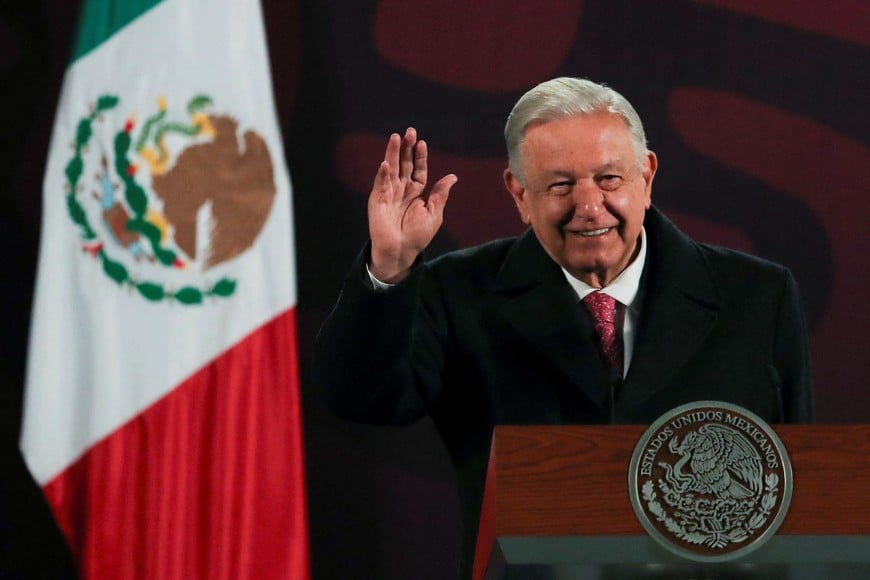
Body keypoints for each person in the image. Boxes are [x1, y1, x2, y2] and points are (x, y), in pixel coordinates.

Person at [314, 77, 814, 578]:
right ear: (519, 195)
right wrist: (390, 266)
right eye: (560, 185)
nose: (589, 206)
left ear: (647, 176)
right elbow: (364, 398)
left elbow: (804, 487)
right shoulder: (459, 292)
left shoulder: (756, 296)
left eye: (609, 179)